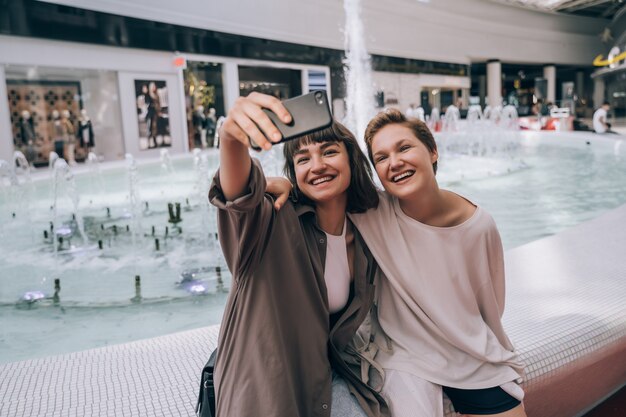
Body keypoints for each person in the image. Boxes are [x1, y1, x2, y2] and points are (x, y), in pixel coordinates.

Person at [268, 109, 527, 417]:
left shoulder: (478, 225)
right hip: (405, 357)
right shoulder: (372, 211)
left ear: (432, 151)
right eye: (381, 157)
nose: (394, 163)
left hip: (469, 356)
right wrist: (285, 186)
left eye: (404, 148)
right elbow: (322, 189)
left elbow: (491, 304)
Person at [209, 92, 389, 417]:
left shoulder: (366, 231)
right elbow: (238, 198)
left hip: (323, 382)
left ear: (352, 159)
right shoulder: (273, 220)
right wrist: (231, 138)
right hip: (265, 394)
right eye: (302, 159)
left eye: (329, 152)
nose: (317, 166)